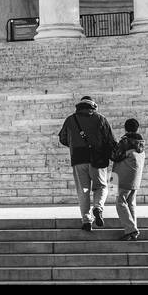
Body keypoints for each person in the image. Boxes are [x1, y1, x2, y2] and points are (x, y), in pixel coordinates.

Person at [57, 95, 117, 231]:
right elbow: (110, 140)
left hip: (78, 159)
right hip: (98, 159)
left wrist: (75, 144)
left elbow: (63, 138)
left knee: (83, 191)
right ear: (93, 106)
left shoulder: (70, 119)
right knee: (101, 187)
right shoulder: (100, 118)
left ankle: (86, 221)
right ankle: (98, 207)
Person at [110, 118, 145, 241]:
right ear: (137, 128)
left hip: (122, 177)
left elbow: (114, 156)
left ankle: (131, 229)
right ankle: (132, 231)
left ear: (125, 128)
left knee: (120, 202)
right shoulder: (141, 143)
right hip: (135, 179)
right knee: (131, 203)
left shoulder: (125, 142)